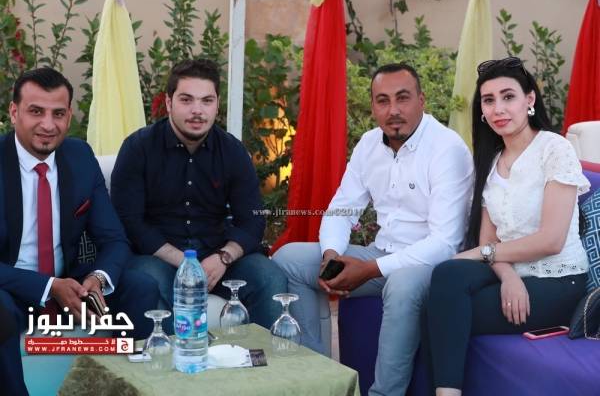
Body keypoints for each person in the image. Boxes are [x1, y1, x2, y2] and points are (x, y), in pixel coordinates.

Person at [272, 62, 474, 395]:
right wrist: (331, 255)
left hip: (432, 265)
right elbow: (342, 209)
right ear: (373, 107)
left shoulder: (446, 148)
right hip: (382, 255)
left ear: (421, 100)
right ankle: (318, 380)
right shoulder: (369, 144)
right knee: (289, 259)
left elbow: (444, 243)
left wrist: (368, 269)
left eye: (402, 98)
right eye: (383, 101)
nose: (393, 110)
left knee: (403, 285)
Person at [423, 57, 590, 396]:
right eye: (489, 100)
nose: (498, 108)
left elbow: (551, 240)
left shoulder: (554, 149)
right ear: (482, 111)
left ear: (529, 100)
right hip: (514, 271)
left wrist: (481, 254)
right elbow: (489, 241)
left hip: (559, 280)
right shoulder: (491, 162)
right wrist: (509, 276)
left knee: (441, 313)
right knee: (447, 275)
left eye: (508, 96)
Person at [0, 67, 159, 395]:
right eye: (36, 111)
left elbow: (114, 238)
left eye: (58, 114)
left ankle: (139, 388)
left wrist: (97, 279)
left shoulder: (79, 156)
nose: (48, 125)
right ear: (14, 112)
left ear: (69, 116)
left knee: (141, 286)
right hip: (11, 287)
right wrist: (48, 287)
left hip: (70, 283)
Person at [111, 59, 287, 334]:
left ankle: (263, 359)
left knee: (269, 277)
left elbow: (252, 221)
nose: (197, 110)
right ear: (169, 102)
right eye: (186, 100)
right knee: (146, 281)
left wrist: (223, 257)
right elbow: (129, 221)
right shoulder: (139, 148)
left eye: (207, 101)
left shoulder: (232, 151)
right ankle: (171, 358)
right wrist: (186, 263)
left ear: (217, 105)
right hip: (159, 258)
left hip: (217, 258)